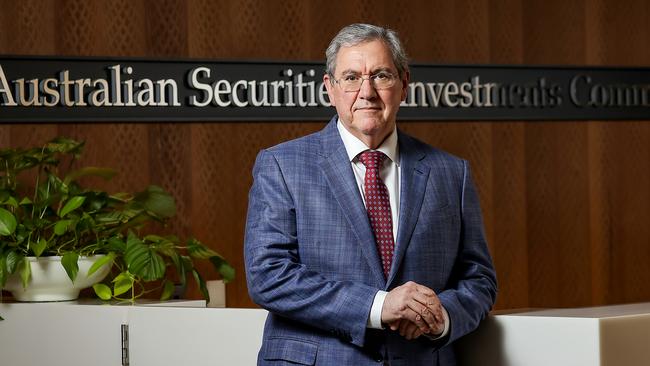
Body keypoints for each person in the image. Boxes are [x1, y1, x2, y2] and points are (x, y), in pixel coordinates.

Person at [244, 23, 497, 365]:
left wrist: (441, 315)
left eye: (381, 75)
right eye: (350, 77)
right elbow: (269, 275)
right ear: (329, 88)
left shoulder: (452, 173)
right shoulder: (282, 165)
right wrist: (379, 306)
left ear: (404, 84)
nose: (367, 92)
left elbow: (478, 279)